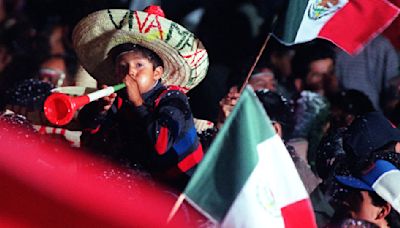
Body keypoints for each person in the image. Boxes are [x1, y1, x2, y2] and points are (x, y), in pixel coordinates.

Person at [75, 6, 209, 190]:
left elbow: (160, 144)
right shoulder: (119, 99)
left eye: (139, 65)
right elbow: (88, 131)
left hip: (179, 189)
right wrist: (101, 109)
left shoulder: (173, 98)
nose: (130, 72)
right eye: (123, 66)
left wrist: (137, 101)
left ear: (157, 73)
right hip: (136, 182)